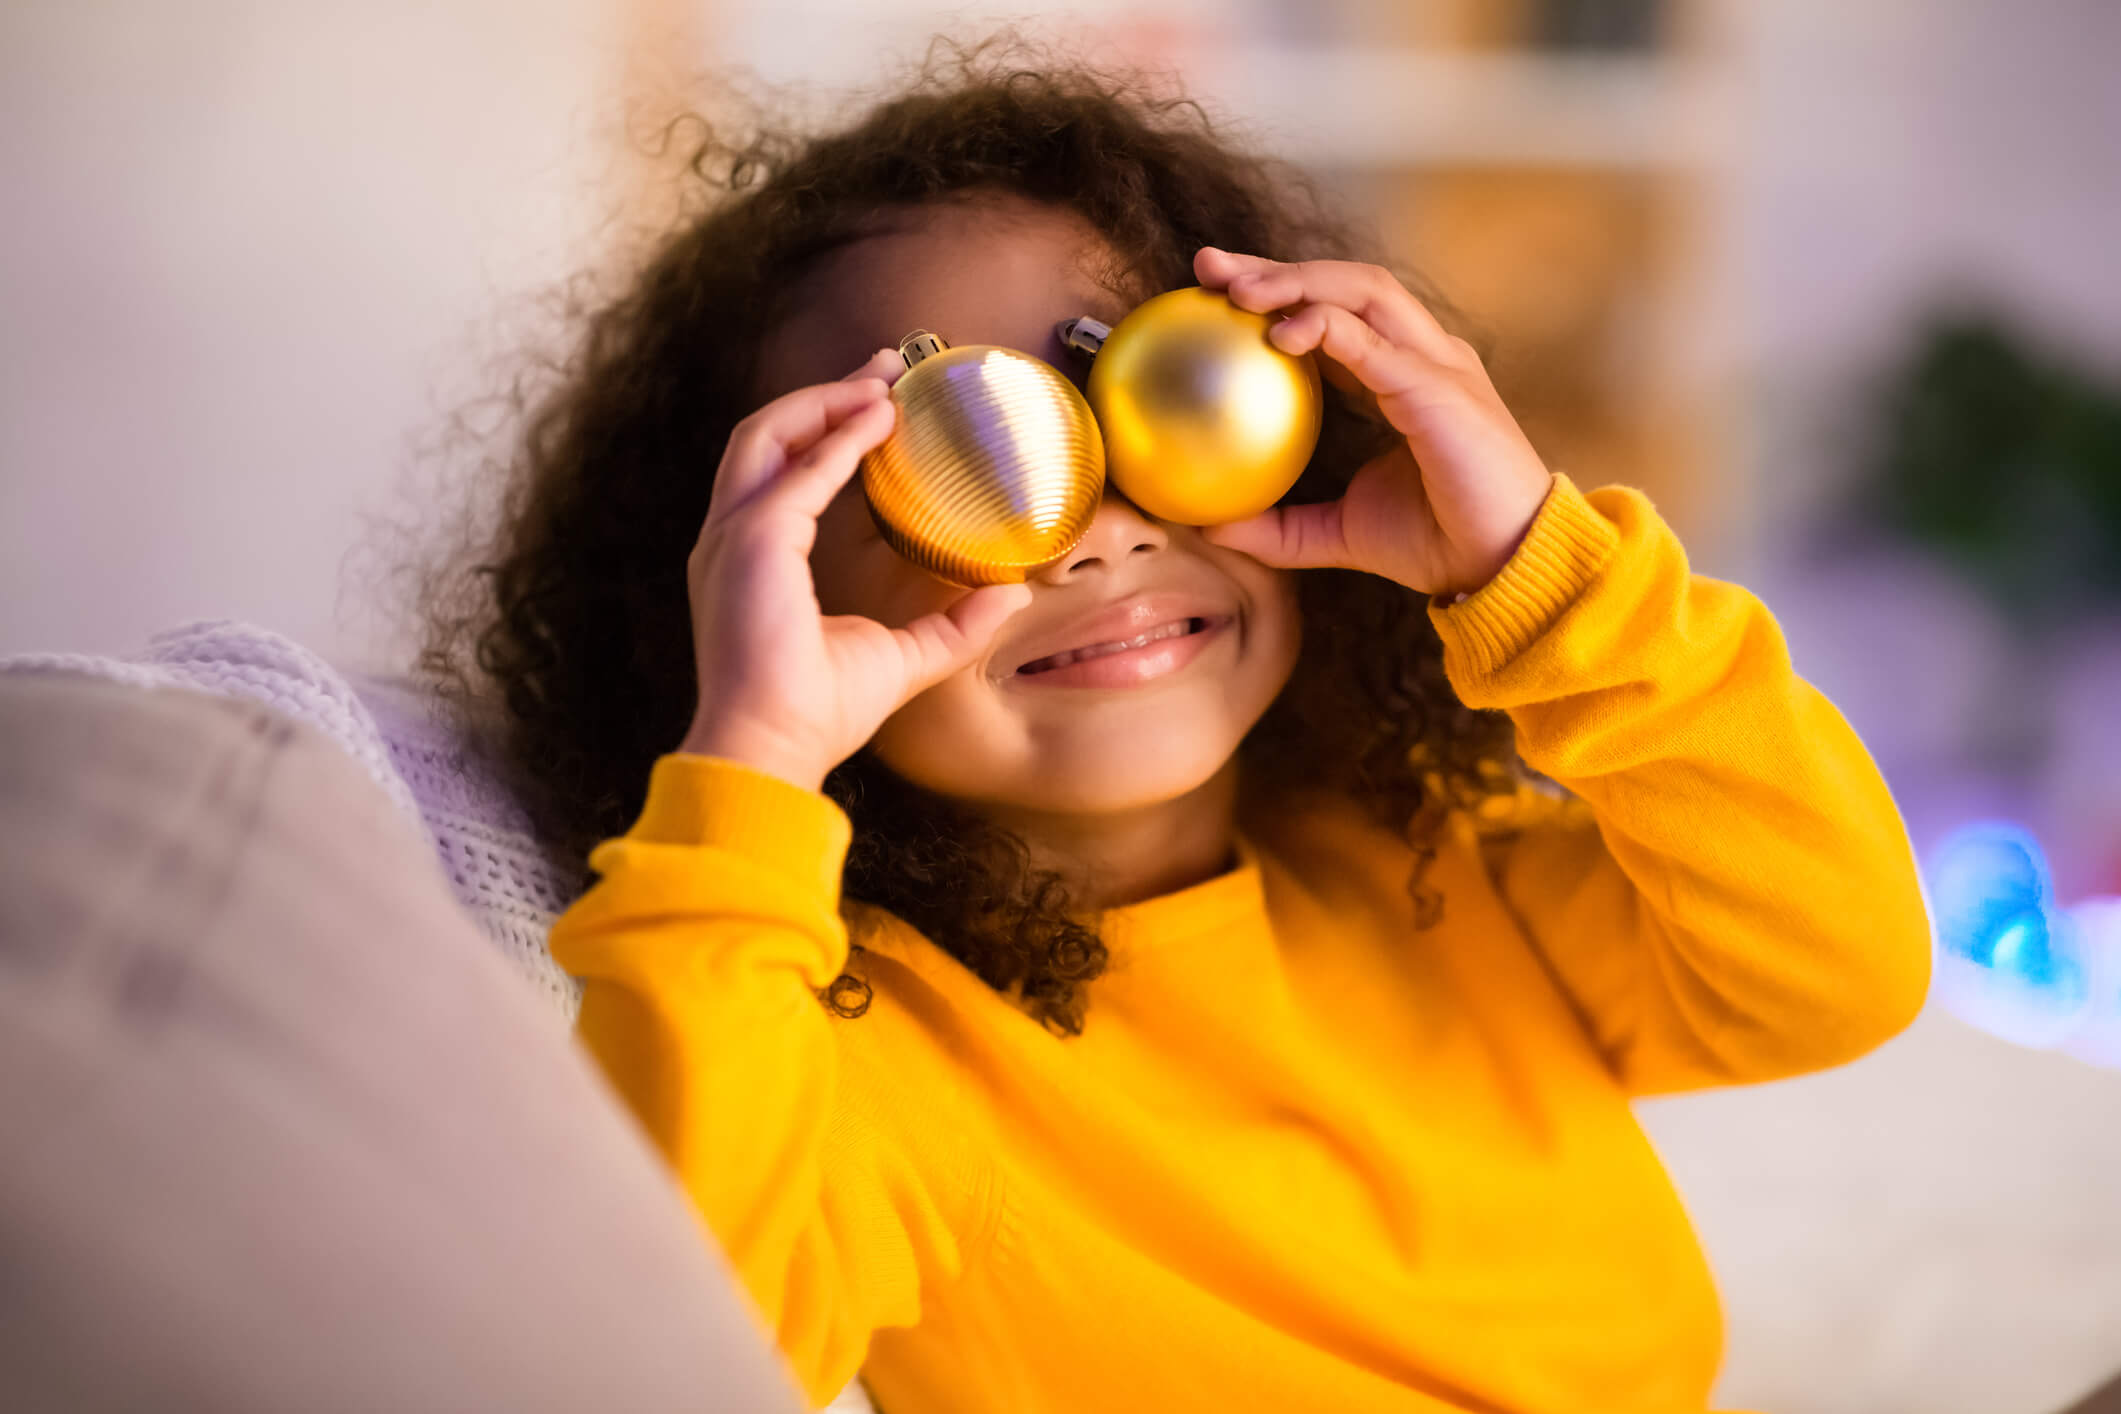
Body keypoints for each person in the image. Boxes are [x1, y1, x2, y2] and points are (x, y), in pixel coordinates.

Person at [414, 40, 1934, 1414]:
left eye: (1143, 401)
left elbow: (1832, 973)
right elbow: (662, 1345)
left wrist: (1535, 567)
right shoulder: (870, 1056)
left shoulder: (1428, 862)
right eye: (956, 470)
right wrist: (746, 767)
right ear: (762, 579)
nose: (1093, 542)